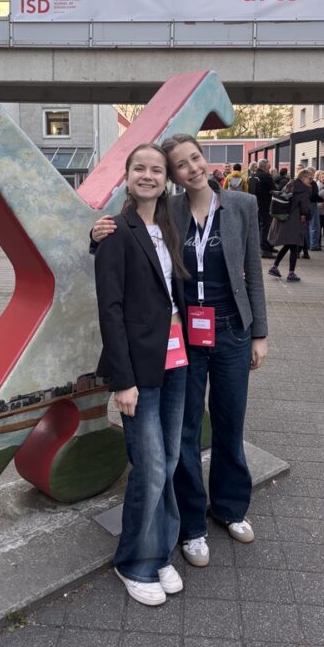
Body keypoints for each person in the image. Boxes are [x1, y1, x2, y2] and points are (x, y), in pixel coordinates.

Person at [91, 133, 268, 568]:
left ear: (205, 160)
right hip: (185, 335)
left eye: (195, 159)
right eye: (181, 165)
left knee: (229, 423)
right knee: (185, 432)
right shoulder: (168, 209)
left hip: (232, 330)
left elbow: (253, 270)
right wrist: (96, 237)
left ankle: (230, 506)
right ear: (174, 176)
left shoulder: (242, 205)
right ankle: (191, 525)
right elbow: (131, 235)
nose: (192, 169)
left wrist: (260, 334)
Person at [93, 144, 189, 607]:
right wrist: (122, 380)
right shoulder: (114, 231)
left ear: (166, 179)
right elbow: (109, 311)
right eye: (140, 168)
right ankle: (133, 562)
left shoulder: (170, 225)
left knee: (168, 462)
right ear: (127, 175)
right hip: (139, 367)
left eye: (157, 169)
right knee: (149, 467)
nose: (148, 175)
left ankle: (159, 550)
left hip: (177, 358)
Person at [267, 168, 311, 282]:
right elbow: (305, 207)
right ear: (303, 177)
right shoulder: (304, 189)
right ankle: (291, 273)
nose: (310, 181)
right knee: (293, 246)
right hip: (294, 220)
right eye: (309, 178)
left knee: (288, 245)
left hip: (284, 218)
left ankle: (274, 267)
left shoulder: (290, 184)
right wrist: (307, 216)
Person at [254, 159, 276, 258]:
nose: (269, 169)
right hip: (265, 205)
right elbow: (274, 189)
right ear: (265, 167)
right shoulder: (266, 176)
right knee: (265, 227)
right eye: (269, 167)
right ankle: (265, 249)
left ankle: (264, 247)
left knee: (260, 227)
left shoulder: (253, 176)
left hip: (255, 204)